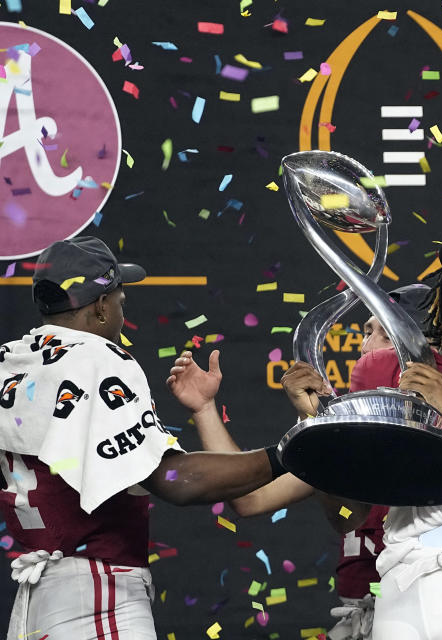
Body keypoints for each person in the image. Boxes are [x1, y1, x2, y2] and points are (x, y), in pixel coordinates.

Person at [167, 270, 442, 640]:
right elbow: (250, 499)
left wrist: (426, 536)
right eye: (366, 330)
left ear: (419, 357)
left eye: (379, 334)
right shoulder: (355, 439)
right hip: (372, 612)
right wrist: (205, 409)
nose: (362, 343)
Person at [0, 237, 287, 640]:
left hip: (35, 603)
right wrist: (287, 453)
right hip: (96, 597)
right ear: (100, 305)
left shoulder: (11, 360)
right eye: (120, 298)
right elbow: (177, 481)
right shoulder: (98, 357)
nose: (121, 307)